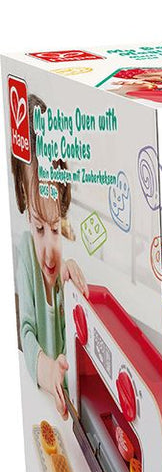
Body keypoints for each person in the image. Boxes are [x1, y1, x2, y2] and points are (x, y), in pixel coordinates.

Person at [12, 94, 87, 419]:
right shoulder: (25, 254)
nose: (48, 250)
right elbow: (26, 332)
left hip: (64, 404)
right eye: (39, 228)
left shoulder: (64, 259)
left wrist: (70, 289)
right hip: (40, 397)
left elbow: (74, 336)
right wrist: (48, 371)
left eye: (55, 228)